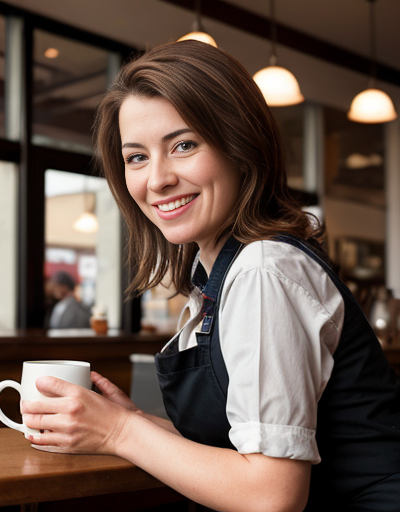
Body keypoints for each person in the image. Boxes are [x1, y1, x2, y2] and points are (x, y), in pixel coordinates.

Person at [21, 41, 400, 512]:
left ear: (241, 146)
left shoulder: (264, 271)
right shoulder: (222, 275)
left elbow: (271, 495)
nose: (156, 179)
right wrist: (131, 421)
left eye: (183, 145)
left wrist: (119, 431)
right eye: (136, 157)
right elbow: (242, 449)